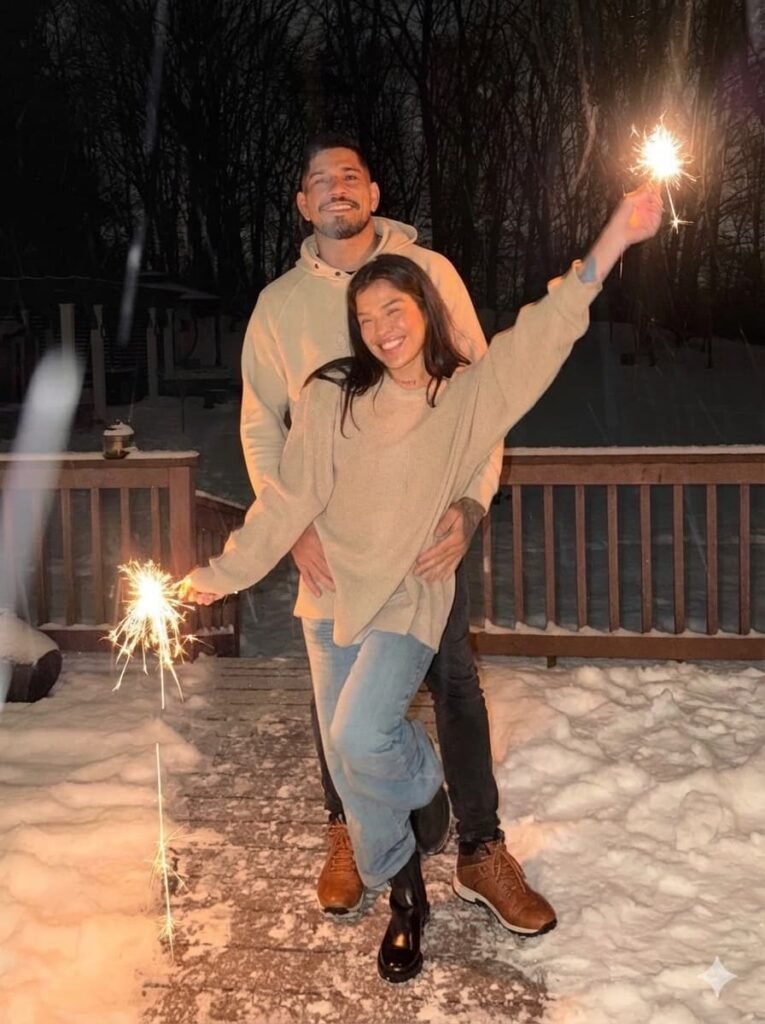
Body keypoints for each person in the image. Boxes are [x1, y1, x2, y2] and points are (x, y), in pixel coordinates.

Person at [182, 184, 664, 983]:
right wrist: (214, 576)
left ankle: (426, 785)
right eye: (367, 319)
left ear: (424, 306)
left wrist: (613, 236)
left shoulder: (463, 396)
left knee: (359, 739)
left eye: (394, 308)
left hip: (409, 594)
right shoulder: (331, 394)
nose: (382, 327)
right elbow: (288, 501)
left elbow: (543, 334)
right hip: (333, 590)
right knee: (350, 761)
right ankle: (407, 894)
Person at [236, 133, 556, 940]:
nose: (335, 188)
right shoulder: (279, 306)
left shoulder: (431, 274)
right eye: (318, 181)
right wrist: (290, 522)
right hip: (329, 541)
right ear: (303, 205)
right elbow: (259, 425)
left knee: (451, 679)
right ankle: (349, 827)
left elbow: (480, 393)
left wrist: (471, 508)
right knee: (336, 698)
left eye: (349, 175)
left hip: (423, 536)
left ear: (373, 192)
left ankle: (480, 848)